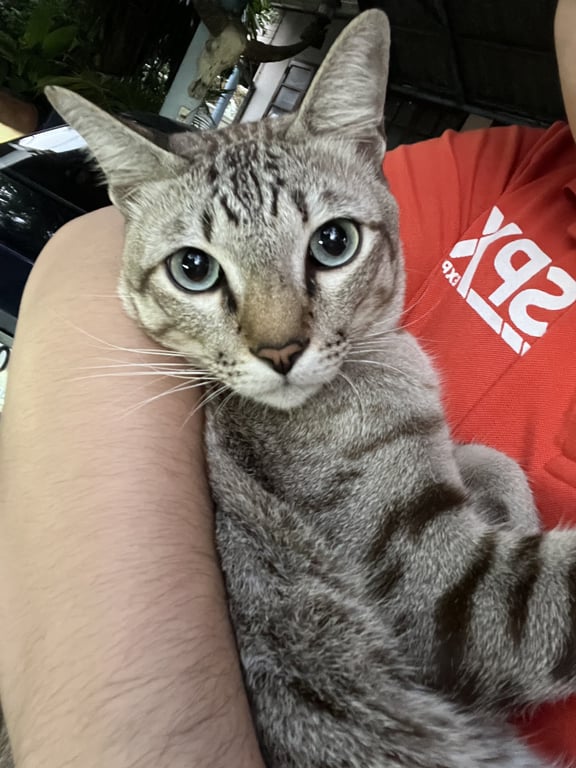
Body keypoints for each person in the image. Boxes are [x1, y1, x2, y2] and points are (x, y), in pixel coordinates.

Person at [1, 1, 576, 766]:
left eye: (329, 244)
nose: (277, 340)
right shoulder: (501, 172)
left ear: (366, 154)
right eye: (197, 269)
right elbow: (87, 248)